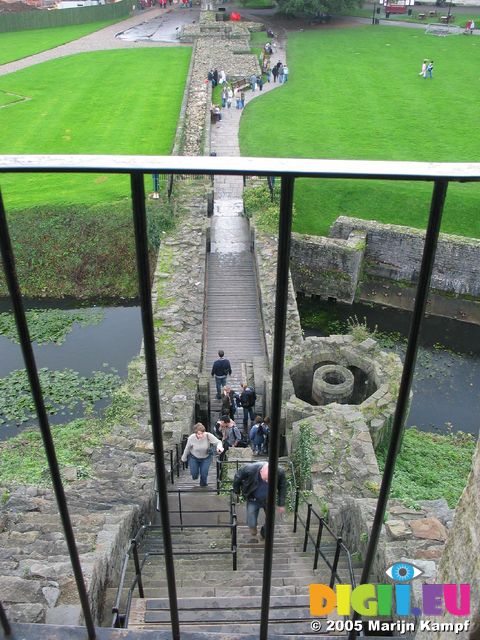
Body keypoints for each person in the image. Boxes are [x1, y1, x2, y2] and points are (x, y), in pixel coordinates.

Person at [233, 462, 286, 541]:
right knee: (251, 522)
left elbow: (282, 487)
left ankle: (264, 533)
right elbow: (238, 477)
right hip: (253, 499)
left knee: (270, 520)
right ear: (261, 472)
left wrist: (281, 504)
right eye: (265, 479)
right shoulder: (249, 469)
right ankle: (253, 528)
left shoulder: (280, 472)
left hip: (269, 499)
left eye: (269, 479)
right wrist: (236, 491)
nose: (267, 481)